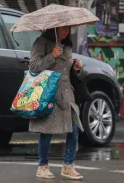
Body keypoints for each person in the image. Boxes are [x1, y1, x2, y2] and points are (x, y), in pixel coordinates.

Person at [29, 26, 84, 180]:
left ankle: (68, 165)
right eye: (62, 28)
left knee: (74, 130)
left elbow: (65, 70)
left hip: (67, 94)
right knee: (47, 131)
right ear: (54, 28)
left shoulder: (66, 45)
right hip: (49, 93)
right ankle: (42, 167)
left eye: (68, 28)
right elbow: (33, 67)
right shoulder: (42, 42)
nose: (66, 31)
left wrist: (76, 67)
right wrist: (51, 55)